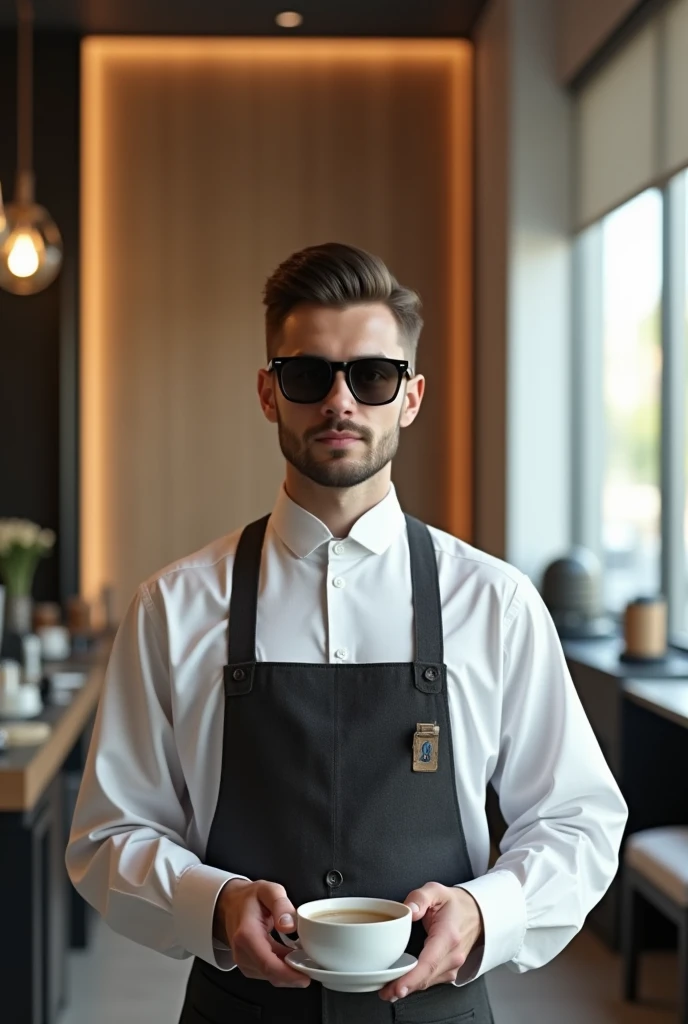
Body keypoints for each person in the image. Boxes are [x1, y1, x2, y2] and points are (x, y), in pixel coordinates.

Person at [66, 242, 628, 1024]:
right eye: (308, 375)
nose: (341, 402)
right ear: (269, 393)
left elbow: (579, 817)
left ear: (411, 396)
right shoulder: (174, 605)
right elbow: (109, 832)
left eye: (371, 375)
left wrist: (483, 910)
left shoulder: (495, 602)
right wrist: (218, 902)